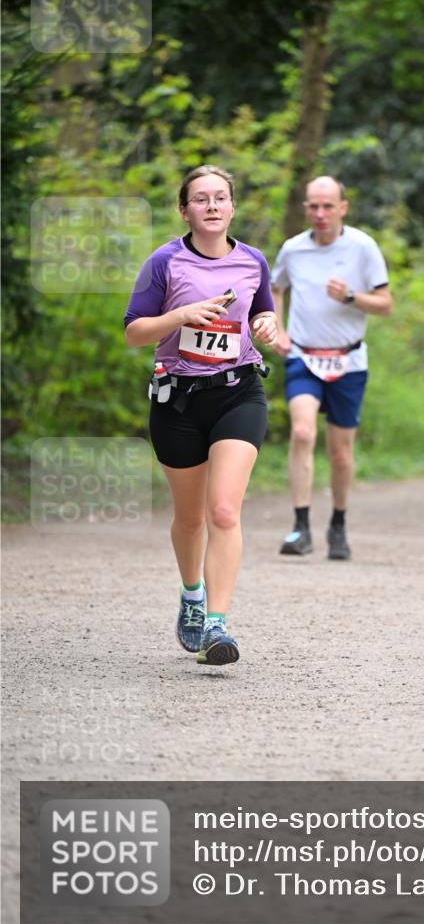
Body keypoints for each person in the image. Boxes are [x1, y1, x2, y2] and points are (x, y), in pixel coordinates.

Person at [124, 165, 277, 665]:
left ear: (233, 207)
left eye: (220, 198)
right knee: (190, 519)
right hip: (178, 400)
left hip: (239, 392)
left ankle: (217, 623)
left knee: (224, 511)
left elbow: (262, 313)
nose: (212, 206)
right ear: (184, 209)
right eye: (200, 199)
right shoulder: (165, 262)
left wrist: (268, 325)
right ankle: (192, 594)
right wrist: (179, 317)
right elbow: (134, 331)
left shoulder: (253, 261)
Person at [271, 175, 392, 559]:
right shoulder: (293, 249)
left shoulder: (363, 247)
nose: (320, 214)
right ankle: (300, 527)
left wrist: (353, 296)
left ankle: (337, 524)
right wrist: (276, 329)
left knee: (340, 453)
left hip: (348, 360)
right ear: (305, 208)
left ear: (343, 207)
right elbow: (275, 288)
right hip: (304, 356)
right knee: (303, 432)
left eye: (327, 206)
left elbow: (386, 304)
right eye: (313, 206)